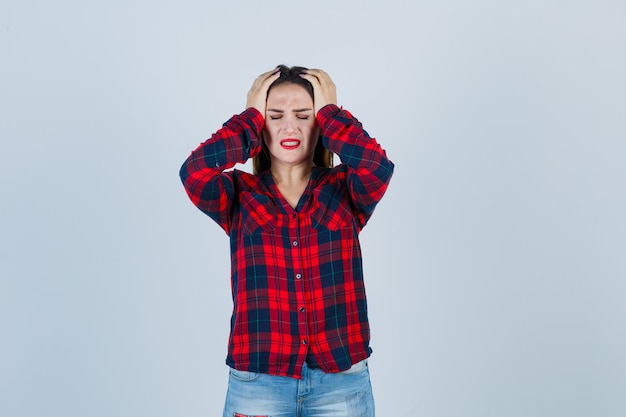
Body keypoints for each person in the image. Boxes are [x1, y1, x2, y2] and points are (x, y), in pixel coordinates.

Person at [180, 65, 394, 417]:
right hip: (258, 384)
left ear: (320, 123)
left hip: (340, 383)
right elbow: (194, 173)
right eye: (274, 115)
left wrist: (332, 114)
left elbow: (377, 166)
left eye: (304, 115)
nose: (289, 127)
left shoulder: (346, 189)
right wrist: (248, 118)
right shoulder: (238, 194)